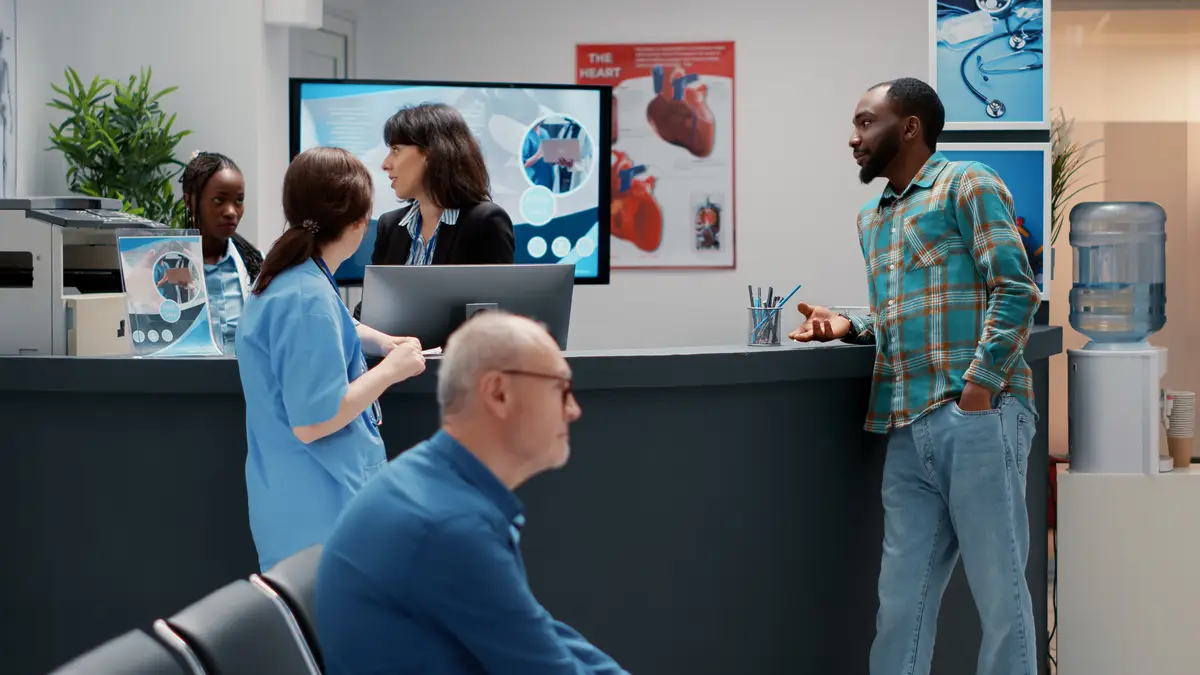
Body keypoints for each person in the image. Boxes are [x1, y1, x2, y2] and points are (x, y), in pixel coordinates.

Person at [788, 78, 1040, 675]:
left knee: (1000, 598)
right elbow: (897, 316)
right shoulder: (871, 219)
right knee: (901, 603)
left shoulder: (967, 182)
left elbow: (1016, 288)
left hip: (977, 416)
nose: (853, 138)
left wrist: (978, 390)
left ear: (909, 127)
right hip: (905, 425)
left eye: (866, 122)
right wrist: (847, 326)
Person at [315, 311, 628, 675]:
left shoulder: (434, 483)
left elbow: (539, 631)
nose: (573, 410)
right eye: (560, 388)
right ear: (497, 392)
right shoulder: (449, 528)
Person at [235, 147, 427, 572]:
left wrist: (380, 342)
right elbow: (314, 421)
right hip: (322, 508)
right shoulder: (307, 296)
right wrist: (391, 372)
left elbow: (335, 328)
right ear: (360, 223)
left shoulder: (292, 278)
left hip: (301, 501)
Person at [352, 102, 516, 319]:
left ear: (430, 154)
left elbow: (495, 317)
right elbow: (372, 309)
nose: (385, 164)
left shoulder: (485, 222)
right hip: (395, 352)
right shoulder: (390, 226)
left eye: (395, 150)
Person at [179, 151, 262, 354]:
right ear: (189, 201)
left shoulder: (255, 264)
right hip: (187, 381)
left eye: (239, 201)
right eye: (218, 200)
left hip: (244, 383)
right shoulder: (168, 262)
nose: (231, 211)